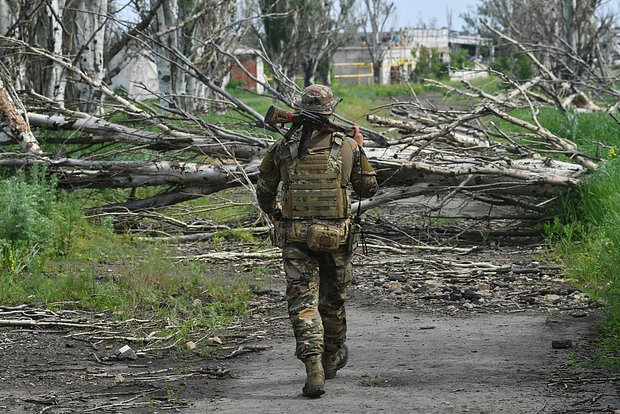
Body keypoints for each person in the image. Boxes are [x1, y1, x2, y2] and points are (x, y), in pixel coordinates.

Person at [256, 84, 379, 398]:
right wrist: (360, 148)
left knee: (303, 305)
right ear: (329, 109)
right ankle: (330, 358)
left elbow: (264, 192)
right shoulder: (347, 145)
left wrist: (274, 211)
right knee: (332, 303)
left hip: (296, 240)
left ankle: (314, 370)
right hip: (336, 239)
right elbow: (368, 189)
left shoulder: (282, 147)